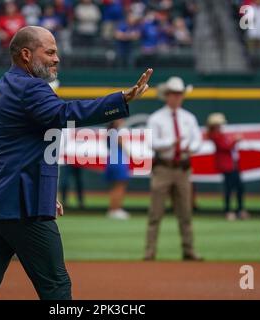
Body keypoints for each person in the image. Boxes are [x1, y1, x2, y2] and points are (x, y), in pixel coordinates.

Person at [0, 26, 153, 300]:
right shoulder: (31, 87)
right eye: (49, 52)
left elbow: (14, 150)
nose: (56, 58)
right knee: (56, 286)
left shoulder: (2, 87)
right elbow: (63, 114)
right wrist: (120, 99)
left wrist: (45, 192)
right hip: (19, 206)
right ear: (26, 54)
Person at [145, 76, 203, 261]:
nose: (176, 97)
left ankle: (189, 250)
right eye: (173, 94)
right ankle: (150, 251)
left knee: (185, 213)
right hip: (164, 167)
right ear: (166, 95)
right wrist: (172, 143)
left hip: (183, 168)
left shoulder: (189, 118)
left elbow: (197, 141)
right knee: (156, 213)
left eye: (179, 94)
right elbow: (151, 142)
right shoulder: (156, 118)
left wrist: (190, 147)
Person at [207, 112, 249, 221]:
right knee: (229, 188)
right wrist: (235, 140)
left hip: (233, 165)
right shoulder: (215, 135)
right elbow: (225, 146)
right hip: (227, 166)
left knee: (239, 187)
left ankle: (240, 209)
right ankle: (228, 210)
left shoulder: (222, 135)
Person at [105, 119, 131, 220]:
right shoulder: (116, 132)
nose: (123, 120)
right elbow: (123, 146)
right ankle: (116, 209)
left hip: (111, 159)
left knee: (115, 186)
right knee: (120, 186)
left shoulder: (110, 132)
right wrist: (129, 154)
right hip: (118, 161)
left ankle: (112, 209)